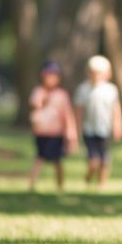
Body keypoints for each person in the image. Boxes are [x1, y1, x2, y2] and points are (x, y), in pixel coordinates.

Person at [73, 55, 122, 187]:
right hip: (89, 129)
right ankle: (89, 178)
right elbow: (78, 112)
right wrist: (76, 130)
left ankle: (102, 183)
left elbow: (116, 110)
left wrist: (118, 126)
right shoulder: (83, 89)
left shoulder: (111, 90)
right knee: (93, 160)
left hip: (105, 130)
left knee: (105, 159)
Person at [28, 60, 77, 192]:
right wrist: (43, 101)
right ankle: (31, 185)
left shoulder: (62, 95)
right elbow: (34, 107)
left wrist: (71, 132)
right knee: (39, 158)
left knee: (57, 160)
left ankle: (60, 186)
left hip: (56, 132)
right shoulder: (38, 92)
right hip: (41, 132)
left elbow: (67, 115)